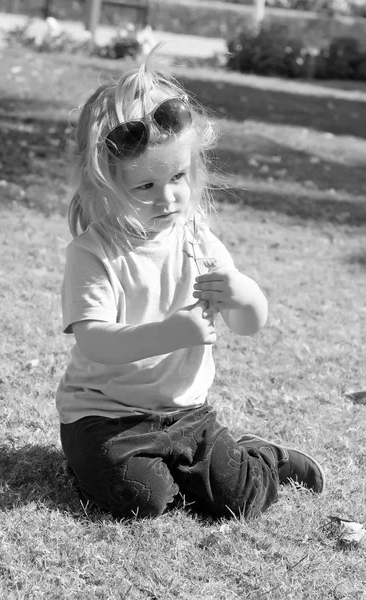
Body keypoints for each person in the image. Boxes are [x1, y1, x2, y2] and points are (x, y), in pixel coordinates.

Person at [56, 46, 325, 520]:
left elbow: (248, 323)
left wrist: (245, 294)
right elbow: (95, 342)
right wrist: (171, 333)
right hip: (103, 417)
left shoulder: (197, 241)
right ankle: (99, 468)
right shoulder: (94, 253)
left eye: (178, 176)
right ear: (105, 186)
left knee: (236, 498)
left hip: (187, 412)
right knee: (143, 499)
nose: (169, 197)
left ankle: (266, 458)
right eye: (145, 187)